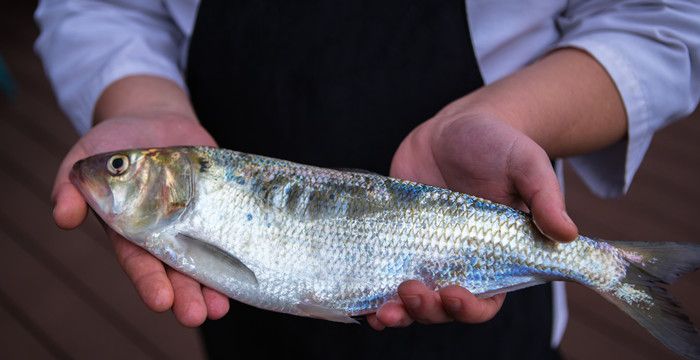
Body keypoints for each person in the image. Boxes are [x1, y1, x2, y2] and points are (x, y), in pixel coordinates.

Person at [35, 1, 700, 358]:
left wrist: (506, 115)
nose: (111, 176)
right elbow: (96, 7)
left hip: (486, 332)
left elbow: (663, 20)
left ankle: (615, 269)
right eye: (122, 169)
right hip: (253, 333)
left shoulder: (181, 202)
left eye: (122, 168)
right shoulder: (183, 195)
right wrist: (140, 105)